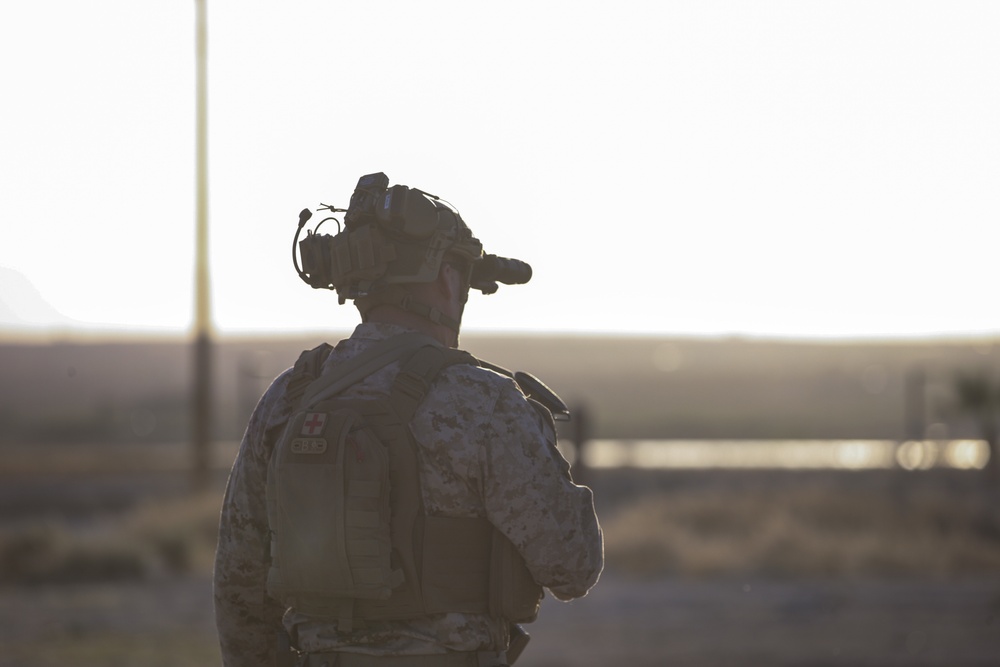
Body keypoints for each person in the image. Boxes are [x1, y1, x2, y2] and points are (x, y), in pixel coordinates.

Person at [214, 173, 603, 666]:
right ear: (446, 277)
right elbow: (573, 565)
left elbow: (240, 585)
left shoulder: (290, 398)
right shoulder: (483, 401)